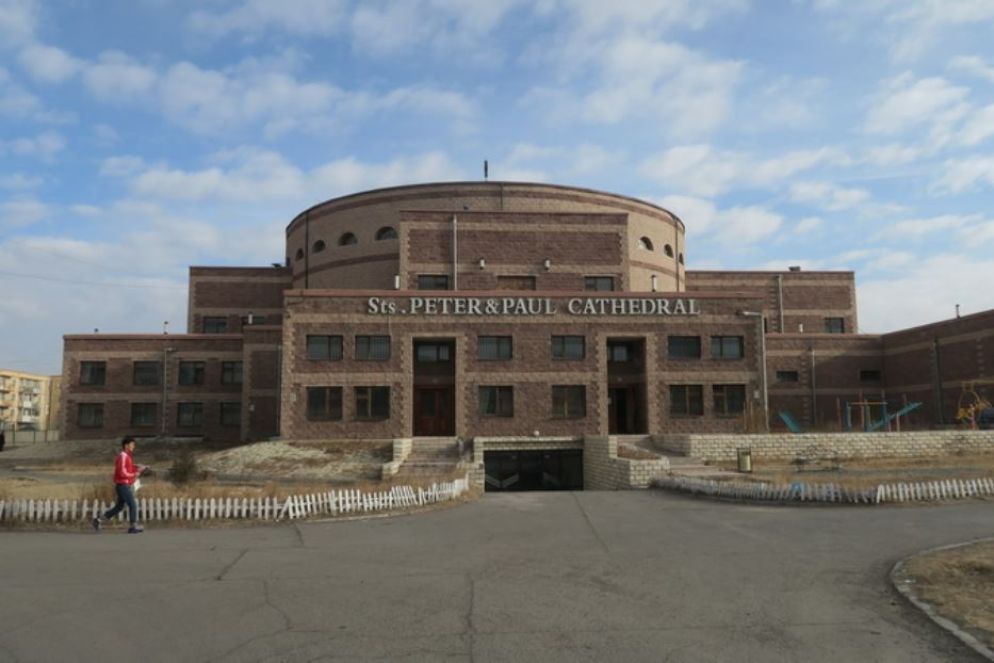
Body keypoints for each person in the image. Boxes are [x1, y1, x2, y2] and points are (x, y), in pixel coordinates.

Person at [92, 436, 146, 534]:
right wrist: (135, 473)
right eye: (132, 444)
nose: (134, 446)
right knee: (132, 504)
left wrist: (138, 468)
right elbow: (122, 472)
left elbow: (128, 469)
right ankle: (133, 526)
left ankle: (98, 520)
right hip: (122, 485)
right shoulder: (123, 456)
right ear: (126, 445)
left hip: (124, 485)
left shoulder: (127, 456)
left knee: (119, 507)